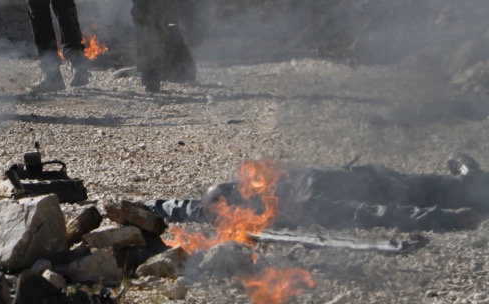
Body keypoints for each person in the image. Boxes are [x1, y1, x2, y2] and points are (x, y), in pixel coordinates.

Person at [148, 155, 487, 231]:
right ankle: (466, 173)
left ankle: (467, 174)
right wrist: (445, 218)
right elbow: (367, 213)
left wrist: (150, 205)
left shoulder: (287, 199)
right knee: (462, 192)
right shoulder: (285, 204)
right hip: (389, 191)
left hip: (384, 181)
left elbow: (192, 207)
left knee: (465, 189)